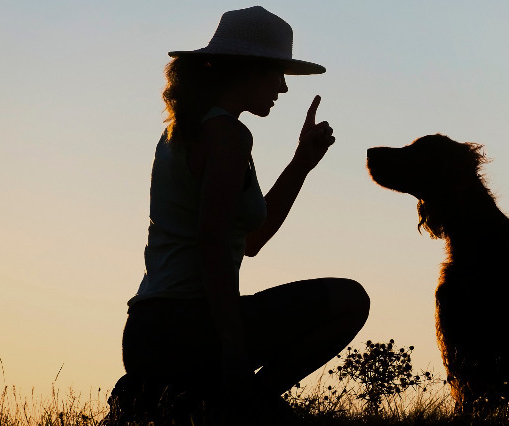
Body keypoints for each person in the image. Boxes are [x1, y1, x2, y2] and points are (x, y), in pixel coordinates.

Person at [107, 7, 369, 424]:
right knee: (349, 299)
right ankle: (244, 404)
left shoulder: (188, 129)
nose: (283, 88)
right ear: (247, 70)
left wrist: (301, 163)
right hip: (187, 325)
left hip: (151, 332)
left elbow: (250, 241)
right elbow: (212, 243)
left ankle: (180, 395)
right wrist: (233, 348)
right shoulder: (228, 135)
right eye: (276, 74)